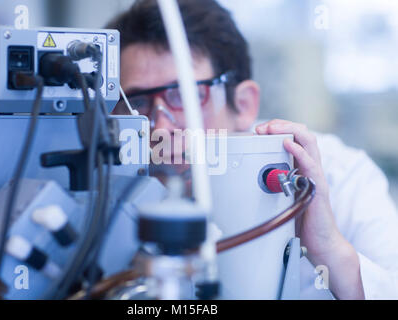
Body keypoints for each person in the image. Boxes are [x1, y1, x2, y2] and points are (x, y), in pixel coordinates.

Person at [106, 0, 398, 299]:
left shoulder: (340, 177)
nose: (160, 129)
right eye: (137, 102)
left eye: (185, 95)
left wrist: (327, 247)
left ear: (243, 104)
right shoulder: (104, 192)